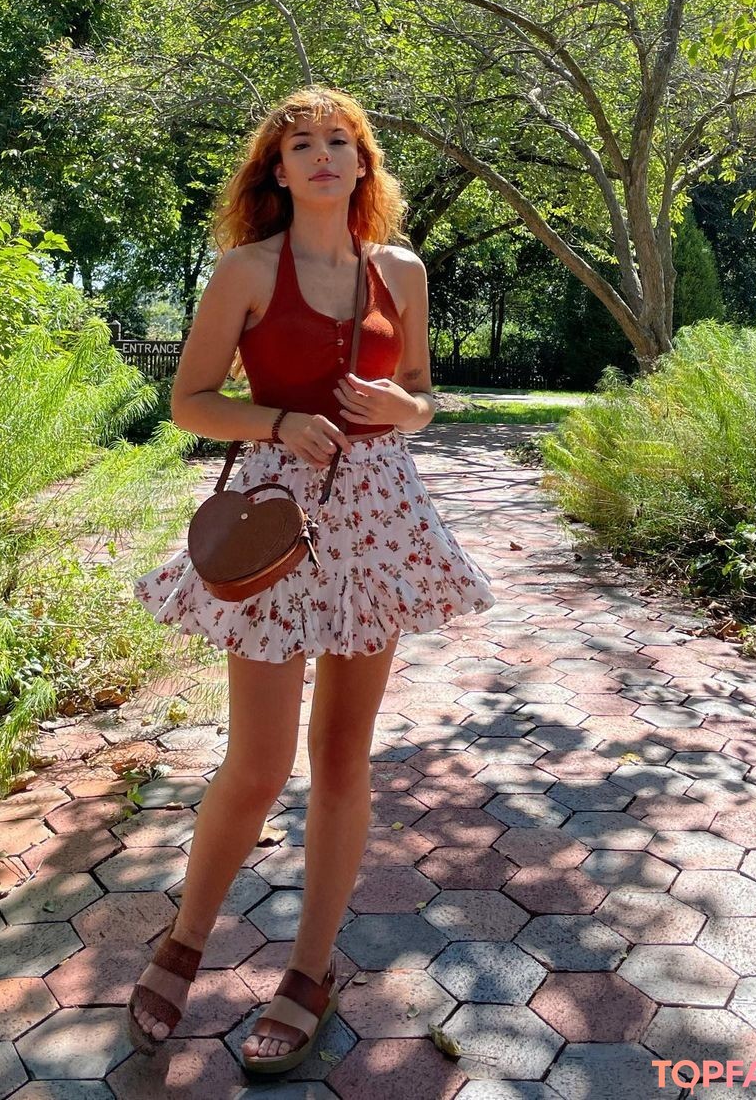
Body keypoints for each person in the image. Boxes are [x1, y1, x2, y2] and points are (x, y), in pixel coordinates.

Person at [128, 85, 496, 1074]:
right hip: (274, 517)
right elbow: (191, 401)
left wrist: (405, 408)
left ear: (363, 163)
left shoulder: (402, 271)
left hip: (377, 516)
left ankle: (309, 968)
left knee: (340, 756)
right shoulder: (247, 269)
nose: (324, 154)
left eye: (341, 140)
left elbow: (420, 393)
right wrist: (279, 421)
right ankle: (185, 942)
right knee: (257, 763)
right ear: (279, 170)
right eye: (303, 144)